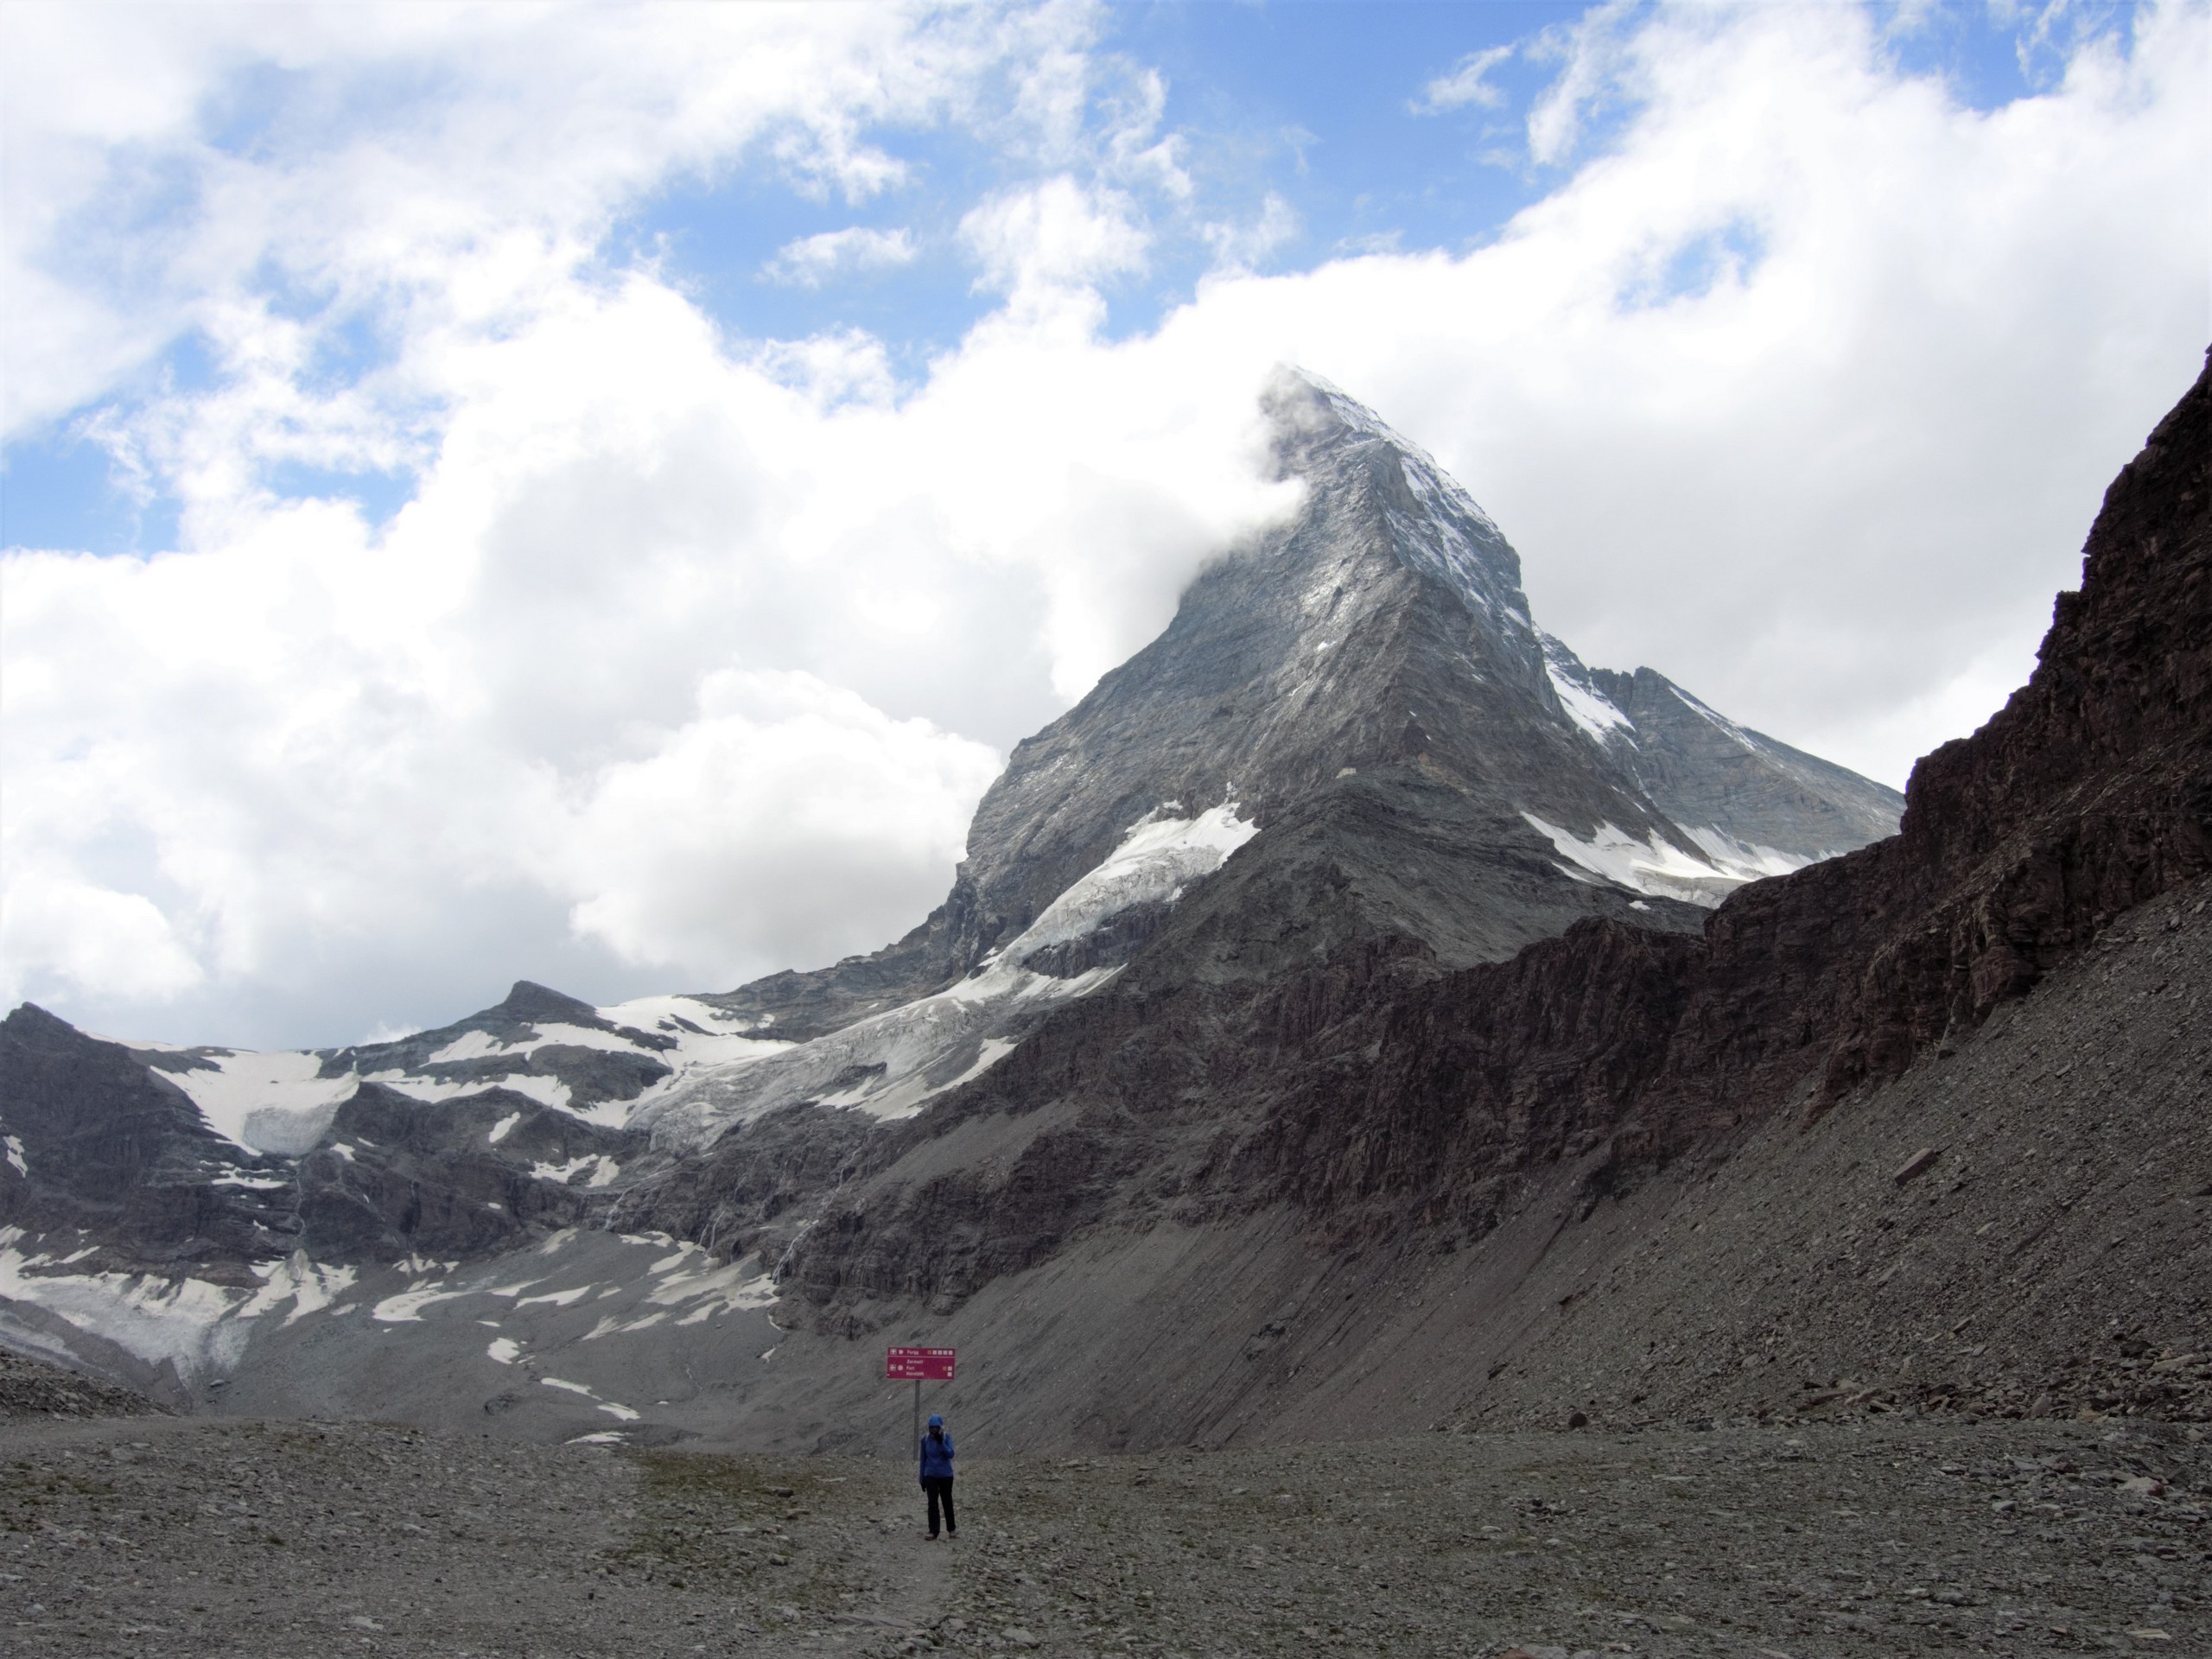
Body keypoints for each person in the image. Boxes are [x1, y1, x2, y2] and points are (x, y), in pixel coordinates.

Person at [918, 1412, 957, 1539]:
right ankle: (933, 1531)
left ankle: (951, 1529)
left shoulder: (946, 1437)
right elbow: (923, 1459)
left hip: (946, 1475)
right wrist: (922, 1477)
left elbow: (951, 1454)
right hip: (931, 1475)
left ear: (940, 1428)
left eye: (936, 1427)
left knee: (947, 1501)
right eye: (932, 1427)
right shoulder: (925, 1440)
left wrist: (941, 1443)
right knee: (932, 1503)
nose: (934, 1430)